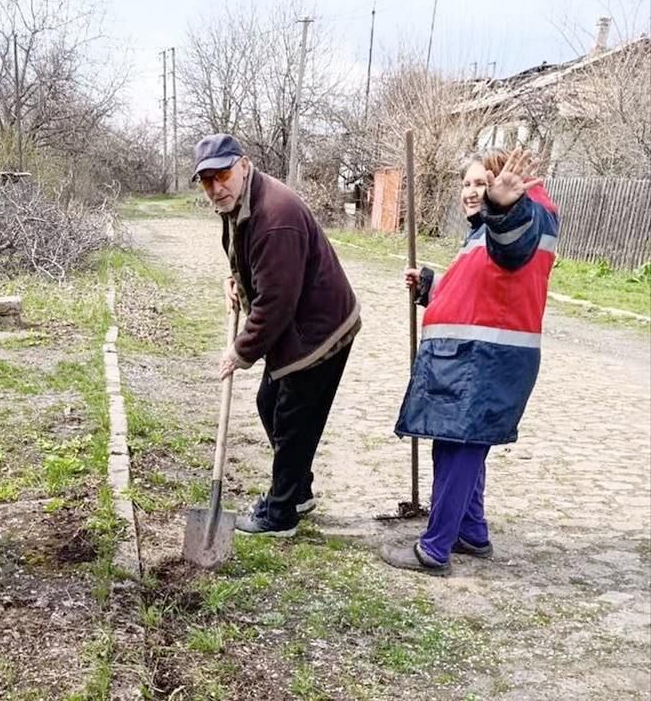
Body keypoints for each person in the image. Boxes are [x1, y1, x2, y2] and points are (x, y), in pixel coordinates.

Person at [381, 146, 559, 576]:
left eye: (483, 183)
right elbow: (487, 290)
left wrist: (504, 206)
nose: (473, 192)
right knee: (465, 446)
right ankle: (471, 532)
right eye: (468, 184)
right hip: (472, 358)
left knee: (458, 449)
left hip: (485, 360)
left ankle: (435, 548)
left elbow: (514, 249)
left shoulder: (524, 216)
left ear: (506, 187)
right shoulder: (484, 230)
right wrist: (431, 285)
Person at [192, 133, 361, 536]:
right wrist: (236, 279)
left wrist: (240, 351)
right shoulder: (241, 201)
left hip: (318, 332)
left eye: (223, 174)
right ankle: (298, 489)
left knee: (292, 419)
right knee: (271, 404)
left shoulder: (275, 218)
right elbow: (248, 257)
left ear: (244, 165)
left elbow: (275, 305)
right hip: (300, 323)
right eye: (207, 180)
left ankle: (281, 513)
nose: (216, 187)